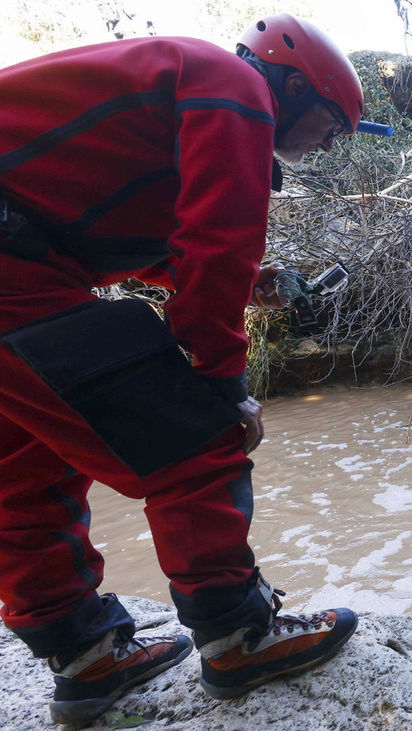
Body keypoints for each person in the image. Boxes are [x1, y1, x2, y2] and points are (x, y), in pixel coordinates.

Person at [0, 14, 368, 725]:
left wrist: (249, 278)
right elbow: (213, 250)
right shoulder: (235, 89)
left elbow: (121, 231)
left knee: (25, 464)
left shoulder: (187, 81)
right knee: (194, 438)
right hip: (16, 267)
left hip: (24, 258)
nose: (329, 144)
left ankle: (83, 656)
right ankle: (237, 634)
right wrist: (223, 387)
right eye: (330, 125)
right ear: (292, 85)